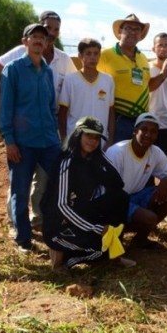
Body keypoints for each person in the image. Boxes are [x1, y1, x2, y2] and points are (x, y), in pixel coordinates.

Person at [0, 10, 76, 228]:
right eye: (47, 28)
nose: (51, 33)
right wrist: (8, 101)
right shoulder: (19, 55)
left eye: (55, 30)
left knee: (45, 178)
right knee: (20, 179)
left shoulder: (62, 61)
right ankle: (15, 223)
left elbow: (72, 89)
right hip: (23, 130)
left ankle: (38, 218)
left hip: (48, 128)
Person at [0, 23, 62, 253]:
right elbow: (5, 108)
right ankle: (23, 238)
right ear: (24, 41)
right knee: (21, 190)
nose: (38, 41)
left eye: (42, 38)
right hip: (23, 144)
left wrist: (55, 134)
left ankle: (55, 231)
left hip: (48, 142)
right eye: (33, 37)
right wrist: (9, 141)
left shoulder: (48, 71)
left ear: (46, 44)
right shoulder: (13, 69)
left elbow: (51, 107)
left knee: (58, 184)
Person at [40, 116, 133, 271]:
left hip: (81, 215)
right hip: (59, 224)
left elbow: (117, 183)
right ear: (78, 135)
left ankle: (115, 251)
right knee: (99, 249)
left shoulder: (94, 159)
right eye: (88, 136)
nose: (93, 141)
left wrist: (101, 156)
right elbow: (62, 206)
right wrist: (97, 228)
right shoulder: (67, 162)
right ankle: (64, 260)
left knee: (121, 197)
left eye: (97, 138)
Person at [105, 113, 167, 249]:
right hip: (114, 200)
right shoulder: (117, 152)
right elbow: (107, 191)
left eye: (153, 132)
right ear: (135, 131)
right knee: (150, 218)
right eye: (144, 129)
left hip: (136, 196)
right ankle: (119, 232)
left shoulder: (155, 152)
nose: (148, 134)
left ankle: (140, 240)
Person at [99, 13, 154, 144]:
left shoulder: (143, 58)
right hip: (117, 120)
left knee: (138, 159)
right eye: (128, 28)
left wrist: (164, 74)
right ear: (120, 31)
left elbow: (148, 85)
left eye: (137, 30)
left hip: (141, 121)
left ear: (141, 35)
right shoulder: (105, 55)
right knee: (116, 159)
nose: (133, 32)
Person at [58, 38, 115, 144]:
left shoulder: (108, 80)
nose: (92, 57)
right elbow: (62, 112)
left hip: (99, 141)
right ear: (80, 56)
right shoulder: (70, 80)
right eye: (88, 54)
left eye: (96, 54)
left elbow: (111, 112)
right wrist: (64, 138)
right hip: (75, 140)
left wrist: (110, 139)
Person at [149, 32, 167, 158]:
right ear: (153, 48)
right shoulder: (146, 69)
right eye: (160, 45)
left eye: (166, 45)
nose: (163, 48)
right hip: (151, 123)